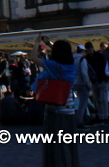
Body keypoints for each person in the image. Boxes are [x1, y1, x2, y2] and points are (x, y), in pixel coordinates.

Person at [29, 37, 78, 167]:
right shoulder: (71, 66)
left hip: (56, 109)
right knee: (69, 146)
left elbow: (33, 57)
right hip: (70, 109)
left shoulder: (54, 66)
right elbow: (63, 52)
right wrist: (49, 43)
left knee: (56, 146)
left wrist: (36, 42)